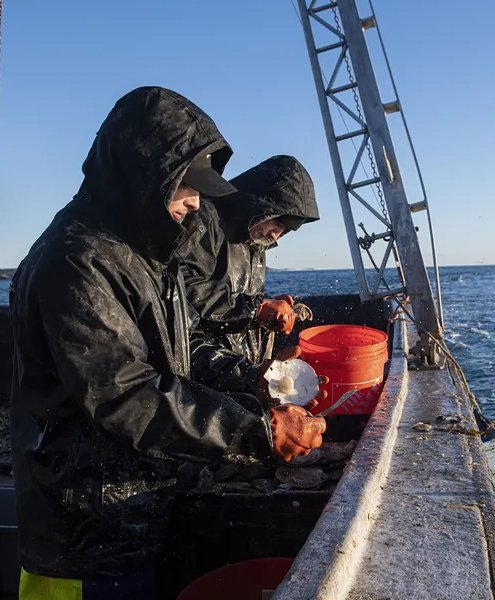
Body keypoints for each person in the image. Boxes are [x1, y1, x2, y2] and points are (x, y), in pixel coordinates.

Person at [9, 87, 326, 598]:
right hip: (81, 540)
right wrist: (254, 432)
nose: (196, 203)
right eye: (186, 186)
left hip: (135, 516)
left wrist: (257, 385)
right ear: (142, 175)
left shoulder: (143, 257)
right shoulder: (76, 261)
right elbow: (124, 393)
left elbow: (180, 353)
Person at [184, 155, 320, 397]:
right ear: (261, 204)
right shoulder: (203, 219)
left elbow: (236, 295)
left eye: (286, 230)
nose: (277, 235)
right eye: (278, 222)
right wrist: (256, 308)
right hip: (201, 378)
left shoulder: (256, 240)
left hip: (237, 373)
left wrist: (266, 308)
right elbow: (184, 290)